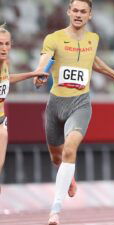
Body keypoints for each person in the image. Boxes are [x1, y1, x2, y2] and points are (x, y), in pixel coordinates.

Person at [32, 1, 114, 224]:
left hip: (81, 104)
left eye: (83, 11)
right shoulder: (54, 38)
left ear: (90, 15)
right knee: (57, 156)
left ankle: (55, 211)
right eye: (75, 10)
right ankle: (70, 177)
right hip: (56, 104)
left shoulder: (93, 39)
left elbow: (93, 62)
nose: (78, 15)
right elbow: (45, 59)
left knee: (70, 148)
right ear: (69, 12)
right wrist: (40, 73)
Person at [0, 24, 49, 193]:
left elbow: (7, 79)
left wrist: (32, 74)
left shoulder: (5, 63)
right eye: (0, 44)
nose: (4, 48)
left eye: (7, 44)